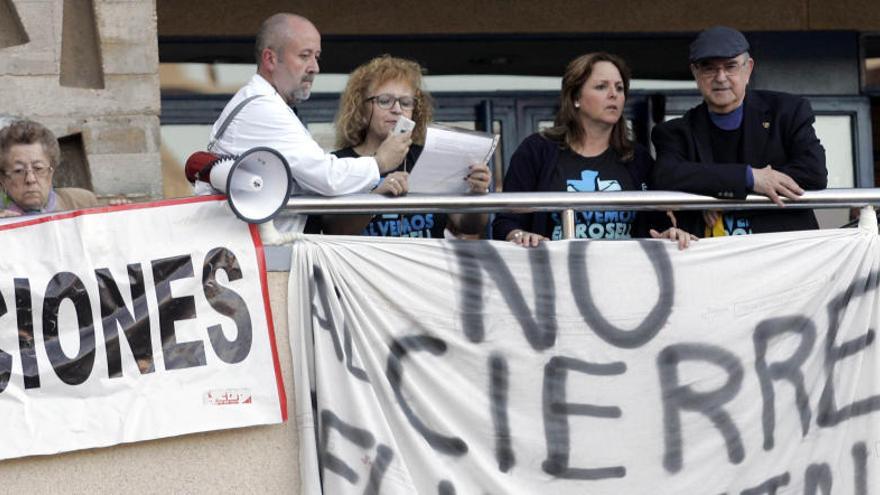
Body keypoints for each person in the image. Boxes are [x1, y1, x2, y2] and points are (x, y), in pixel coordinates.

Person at [200, 13, 411, 232]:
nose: (315, 68)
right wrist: (380, 162)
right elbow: (327, 178)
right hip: (259, 256)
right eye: (304, 56)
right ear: (270, 59)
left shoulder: (265, 103)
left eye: (316, 57)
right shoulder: (263, 108)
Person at [492, 52, 694, 248]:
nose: (613, 94)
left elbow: (657, 224)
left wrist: (670, 233)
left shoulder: (637, 157)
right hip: (555, 276)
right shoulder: (536, 150)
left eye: (620, 88)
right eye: (601, 87)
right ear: (575, 98)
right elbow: (506, 222)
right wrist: (519, 236)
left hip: (623, 276)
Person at [651, 26, 827, 236]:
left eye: (730, 66)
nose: (721, 77)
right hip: (711, 259)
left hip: (782, 252)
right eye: (709, 68)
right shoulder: (676, 132)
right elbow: (666, 175)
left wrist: (717, 192)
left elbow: (813, 173)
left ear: (748, 68)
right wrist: (749, 178)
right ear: (695, 73)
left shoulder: (787, 112)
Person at [305, 55, 490, 238]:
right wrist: (376, 198)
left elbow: (469, 227)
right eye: (385, 101)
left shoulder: (428, 157)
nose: (397, 109)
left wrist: (476, 193)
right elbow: (336, 231)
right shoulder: (339, 162)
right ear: (361, 111)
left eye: (406, 102)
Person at [0, 119, 98, 217]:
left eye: (38, 168)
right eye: (18, 170)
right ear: (3, 179)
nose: (30, 179)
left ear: (51, 171)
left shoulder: (84, 202)